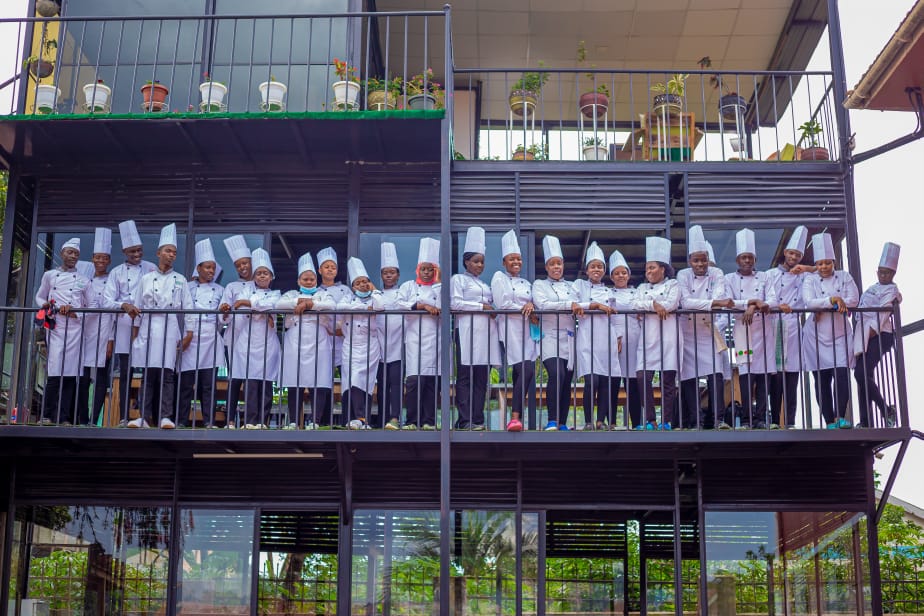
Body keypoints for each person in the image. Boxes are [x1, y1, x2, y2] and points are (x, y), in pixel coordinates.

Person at [126, 224, 194, 429]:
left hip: (170, 327)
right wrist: (135, 335)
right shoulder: (146, 279)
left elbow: (189, 308)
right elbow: (137, 307)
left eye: (174, 252)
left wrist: (189, 334)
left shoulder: (180, 280)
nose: (171, 255)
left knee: (167, 375)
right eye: (168, 251)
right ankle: (144, 417)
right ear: (158, 253)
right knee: (147, 375)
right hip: (148, 327)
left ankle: (166, 416)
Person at [677, 226, 732, 430]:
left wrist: (713, 303)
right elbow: (685, 302)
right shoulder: (683, 275)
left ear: (708, 259)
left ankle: (718, 419)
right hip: (688, 331)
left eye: (703, 260)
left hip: (709, 331)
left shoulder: (717, 272)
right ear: (689, 261)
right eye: (696, 260)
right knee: (689, 378)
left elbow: (719, 296)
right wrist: (713, 304)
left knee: (716, 375)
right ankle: (696, 422)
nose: (700, 264)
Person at [802, 232, 859, 429]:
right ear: (816, 265)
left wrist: (829, 304)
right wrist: (833, 300)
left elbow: (854, 299)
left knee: (842, 374)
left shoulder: (844, 276)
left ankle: (840, 416)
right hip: (815, 337)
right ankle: (829, 422)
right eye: (820, 264)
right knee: (822, 380)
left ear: (833, 262)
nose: (824, 267)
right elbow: (809, 301)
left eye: (827, 263)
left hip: (840, 334)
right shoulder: (810, 280)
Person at [103, 220, 156, 423]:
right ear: (124, 252)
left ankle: (146, 415)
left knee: (149, 373)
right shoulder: (116, 272)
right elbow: (106, 301)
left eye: (139, 250)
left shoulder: (151, 268)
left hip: (146, 326)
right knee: (126, 373)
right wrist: (123, 305)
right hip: (125, 327)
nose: (137, 254)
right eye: (132, 251)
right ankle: (124, 417)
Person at [276, 252, 335, 430]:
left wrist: (310, 304)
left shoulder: (324, 294)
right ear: (298, 280)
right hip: (295, 341)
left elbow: (332, 306)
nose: (309, 282)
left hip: (319, 341)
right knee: (295, 382)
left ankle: (315, 421)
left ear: (316, 280)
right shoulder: (291, 294)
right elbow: (278, 305)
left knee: (319, 381)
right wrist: (299, 300)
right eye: (305, 279)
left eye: (312, 279)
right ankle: (294, 421)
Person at [726, 228, 778, 429]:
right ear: (737, 260)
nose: (747, 261)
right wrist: (754, 302)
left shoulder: (765, 277)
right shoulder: (730, 279)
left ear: (755, 259)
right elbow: (730, 303)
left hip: (763, 331)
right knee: (746, 377)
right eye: (743, 257)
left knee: (763, 376)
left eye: (750, 257)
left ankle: (762, 418)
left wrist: (753, 307)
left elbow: (772, 300)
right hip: (743, 330)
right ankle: (747, 419)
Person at [35, 238, 89, 425]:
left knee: (70, 374)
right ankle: (47, 415)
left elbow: (92, 306)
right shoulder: (49, 275)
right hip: (56, 327)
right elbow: (39, 296)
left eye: (76, 254)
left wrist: (76, 313)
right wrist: (44, 304)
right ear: (62, 253)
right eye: (70, 252)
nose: (73, 256)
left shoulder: (83, 280)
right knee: (54, 371)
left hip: (74, 329)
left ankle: (64, 417)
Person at [450, 227, 500, 431]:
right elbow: (454, 304)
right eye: (476, 261)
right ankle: (464, 420)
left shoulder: (485, 285)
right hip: (466, 331)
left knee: (481, 378)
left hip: (486, 334)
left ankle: (477, 419)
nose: (480, 265)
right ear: (466, 262)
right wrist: (482, 307)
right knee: (465, 376)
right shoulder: (458, 279)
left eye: (482, 262)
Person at [766, 226, 813, 429]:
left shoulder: (804, 277)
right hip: (774, 325)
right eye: (791, 253)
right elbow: (766, 298)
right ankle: (775, 420)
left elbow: (824, 270)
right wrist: (778, 306)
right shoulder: (770, 275)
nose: (793, 257)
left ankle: (791, 421)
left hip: (793, 327)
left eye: (798, 255)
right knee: (775, 377)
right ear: (785, 253)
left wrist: (806, 268)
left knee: (792, 377)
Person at [573, 241, 623, 430]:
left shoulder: (609, 291)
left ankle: (600, 421)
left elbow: (615, 317)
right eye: (593, 266)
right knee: (591, 380)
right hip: (587, 337)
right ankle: (588, 421)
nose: (596, 269)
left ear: (604, 270)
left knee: (605, 380)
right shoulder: (579, 285)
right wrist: (595, 306)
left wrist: (619, 337)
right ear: (587, 270)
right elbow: (573, 304)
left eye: (600, 267)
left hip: (607, 338)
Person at [491, 230, 538, 432]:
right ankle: (515, 417)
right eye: (512, 259)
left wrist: (532, 306)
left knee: (525, 371)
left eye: (519, 258)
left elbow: (534, 303)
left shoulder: (527, 283)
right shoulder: (498, 277)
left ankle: (516, 419)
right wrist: (524, 307)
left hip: (527, 330)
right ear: (504, 262)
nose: (516, 262)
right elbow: (502, 303)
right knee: (525, 369)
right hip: (509, 330)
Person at [229, 248, 281, 429]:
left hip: (268, 343)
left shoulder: (276, 294)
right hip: (248, 342)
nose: (262, 276)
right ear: (254, 277)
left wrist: (249, 304)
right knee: (250, 384)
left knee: (266, 384)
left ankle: (263, 421)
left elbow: (273, 305)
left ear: (271, 276)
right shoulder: (246, 291)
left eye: (265, 273)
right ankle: (250, 421)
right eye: (258, 273)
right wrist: (261, 310)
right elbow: (239, 306)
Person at [532, 235, 580, 431]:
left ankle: (562, 423)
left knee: (566, 380)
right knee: (556, 373)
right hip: (549, 336)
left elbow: (580, 306)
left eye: (559, 263)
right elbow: (543, 305)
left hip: (569, 336)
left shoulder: (572, 286)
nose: (556, 267)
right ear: (546, 267)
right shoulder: (539, 285)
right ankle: (552, 419)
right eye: (552, 264)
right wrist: (569, 305)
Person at [633, 236, 680, 431]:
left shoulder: (673, 284)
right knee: (642, 378)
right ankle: (651, 420)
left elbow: (671, 304)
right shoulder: (642, 287)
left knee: (667, 381)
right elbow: (635, 304)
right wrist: (653, 304)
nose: (648, 272)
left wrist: (652, 306)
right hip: (647, 337)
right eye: (647, 269)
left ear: (663, 269)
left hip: (668, 337)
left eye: (652, 268)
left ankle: (666, 421)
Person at [178, 239, 225, 428]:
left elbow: (222, 318)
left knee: (208, 385)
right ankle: (181, 421)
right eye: (207, 267)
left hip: (211, 338)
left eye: (213, 268)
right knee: (186, 384)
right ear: (198, 268)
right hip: (189, 336)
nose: (211, 271)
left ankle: (209, 421)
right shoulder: (187, 287)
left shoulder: (220, 290)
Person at [853, 242, 901, 428]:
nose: (883, 275)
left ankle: (885, 409)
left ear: (893, 274)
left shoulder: (892, 290)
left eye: (887, 273)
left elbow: (883, 313)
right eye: (881, 272)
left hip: (880, 335)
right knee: (864, 377)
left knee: (860, 374)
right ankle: (866, 421)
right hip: (864, 336)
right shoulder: (871, 288)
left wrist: (870, 331)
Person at [397, 237, 442, 430]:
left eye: (431, 269)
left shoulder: (440, 287)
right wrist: (421, 306)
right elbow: (399, 304)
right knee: (414, 381)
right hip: (414, 338)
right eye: (423, 269)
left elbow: (444, 305)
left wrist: (438, 282)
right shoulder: (408, 286)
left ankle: (429, 422)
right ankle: (412, 421)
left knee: (431, 381)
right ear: (417, 269)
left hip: (435, 339)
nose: (426, 272)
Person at [337, 257, 385, 430]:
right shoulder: (348, 299)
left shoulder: (375, 297)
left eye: (365, 281)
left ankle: (362, 419)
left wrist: (374, 290)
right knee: (349, 381)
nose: (363, 285)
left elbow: (380, 306)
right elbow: (340, 308)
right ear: (353, 287)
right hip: (350, 345)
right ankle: (352, 419)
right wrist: (365, 309)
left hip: (369, 346)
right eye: (358, 283)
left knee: (364, 382)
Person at [76, 228, 114, 427]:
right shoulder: (84, 279)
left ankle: (94, 419)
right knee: (82, 377)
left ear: (109, 260)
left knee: (100, 378)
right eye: (97, 257)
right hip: (83, 332)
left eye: (104, 258)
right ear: (92, 258)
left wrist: (111, 340)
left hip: (104, 331)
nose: (100, 261)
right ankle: (82, 418)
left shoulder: (112, 279)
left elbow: (113, 312)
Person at [219, 235, 255, 428]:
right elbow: (222, 316)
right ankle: (230, 420)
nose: (243, 267)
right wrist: (225, 311)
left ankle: (250, 420)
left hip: (255, 340)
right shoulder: (231, 287)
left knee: (252, 380)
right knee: (234, 379)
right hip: (234, 338)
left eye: (245, 263)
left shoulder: (259, 285)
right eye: (239, 265)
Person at [317, 246, 352, 427]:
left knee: (347, 380)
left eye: (333, 267)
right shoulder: (315, 291)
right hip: (323, 341)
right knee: (324, 380)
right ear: (320, 270)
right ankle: (324, 420)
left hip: (343, 340)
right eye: (326, 267)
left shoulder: (345, 290)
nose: (330, 270)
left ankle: (348, 419)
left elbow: (350, 312)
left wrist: (341, 330)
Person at [608, 249, 643, 430]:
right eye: (617, 273)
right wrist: (615, 336)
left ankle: (637, 423)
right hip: (615, 338)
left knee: (633, 383)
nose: (621, 276)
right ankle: (612, 422)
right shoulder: (608, 293)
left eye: (623, 272)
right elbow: (608, 318)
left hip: (635, 338)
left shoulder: (638, 292)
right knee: (613, 382)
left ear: (629, 275)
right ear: (612, 277)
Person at [377, 243, 406, 430]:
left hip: (398, 343)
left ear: (398, 275)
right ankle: (381, 419)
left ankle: (395, 417)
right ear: (381, 275)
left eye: (392, 272)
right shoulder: (376, 294)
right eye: (385, 273)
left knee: (396, 382)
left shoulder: (403, 293)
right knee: (382, 383)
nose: (388, 275)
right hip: (379, 343)